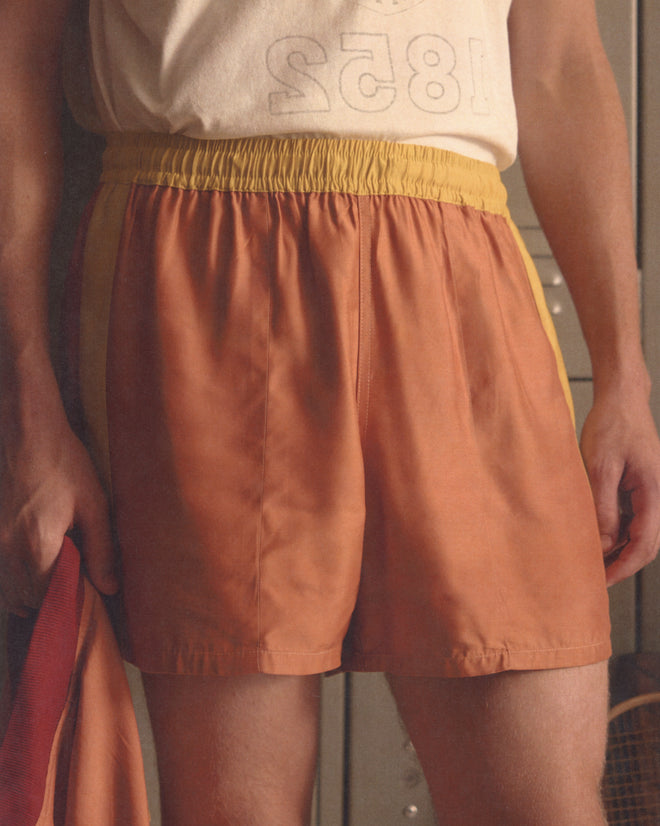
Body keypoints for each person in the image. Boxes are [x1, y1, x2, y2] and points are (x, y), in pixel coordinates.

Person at [2, 0, 660, 824]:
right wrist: (28, 412)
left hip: (463, 260)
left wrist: (625, 376)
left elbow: (561, 62)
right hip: (202, 247)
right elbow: (16, 57)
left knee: (542, 806)